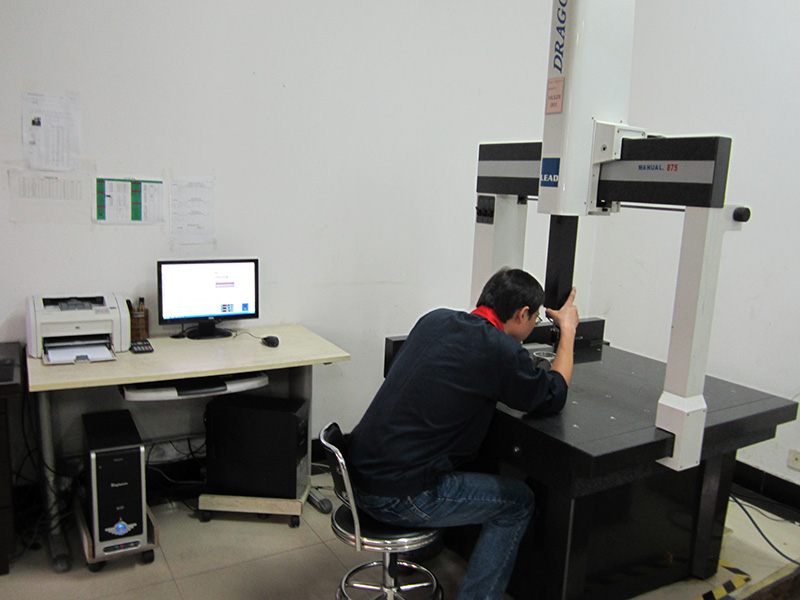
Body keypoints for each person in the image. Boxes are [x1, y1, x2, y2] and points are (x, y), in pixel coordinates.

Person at [346, 267, 579, 600]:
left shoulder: (435, 320)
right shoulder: (500, 350)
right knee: (518, 502)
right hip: (397, 497)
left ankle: (421, 551)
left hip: (357, 476)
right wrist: (567, 330)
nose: (533, 325)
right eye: (535, 318)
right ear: (522, 314)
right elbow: (554, 393)